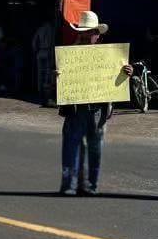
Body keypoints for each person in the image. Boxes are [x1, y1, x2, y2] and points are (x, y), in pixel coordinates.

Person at [56, 11, 132, 196]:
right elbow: (55, 81)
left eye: (90, 32)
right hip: (75, 108)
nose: (86, 35)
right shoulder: (69, 54)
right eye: (83, 32)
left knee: (94, 149)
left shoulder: (110, 56)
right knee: (72, 147)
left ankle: (89, 185)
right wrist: (57, 76)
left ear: (97, 34)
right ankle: (69, 185)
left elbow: (119, 77)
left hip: (98, 109)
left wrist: (127, 71)